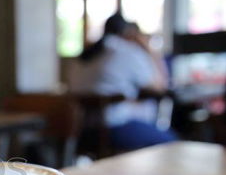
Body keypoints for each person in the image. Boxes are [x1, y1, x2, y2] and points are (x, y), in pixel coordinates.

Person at [70, 13, 176, 150]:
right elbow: (160, 86)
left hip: (79, 132)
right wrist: (150, 50)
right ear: (130, 33)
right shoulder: (125, 51)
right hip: (114, 130)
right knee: (174, 144)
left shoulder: (85, 54)